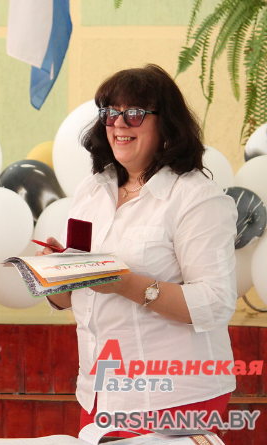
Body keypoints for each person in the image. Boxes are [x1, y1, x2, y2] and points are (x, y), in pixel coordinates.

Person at [41, 64, 237, 435]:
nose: (118, 124)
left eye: (133, 113)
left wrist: (124, 284)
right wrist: (58, 274)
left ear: (168, 125)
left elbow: (216, 303)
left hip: (175, 393)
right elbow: (76, 298)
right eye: (110, 113)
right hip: (99, 391)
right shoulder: (92, 190)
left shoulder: (195, 197)